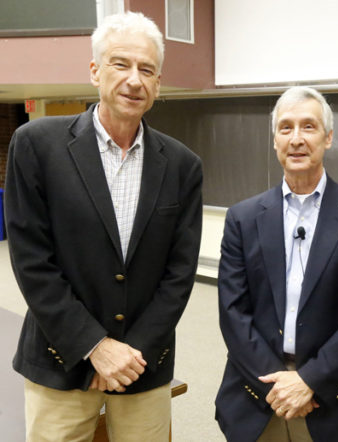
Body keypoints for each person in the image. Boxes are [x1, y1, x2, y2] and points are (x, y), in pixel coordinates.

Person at [4, 11, 202, 441]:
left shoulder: (183, 165)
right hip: (60, 358)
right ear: (95, 71)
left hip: (143, 365)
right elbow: (32, 262)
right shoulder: (36, 146)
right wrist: (94, 347)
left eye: (146, 70)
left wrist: (129, 355)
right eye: (120, 64)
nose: (134, 80)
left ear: (158, 83)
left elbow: (179, 274)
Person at [215, 86, 338, 441]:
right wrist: (280, 387)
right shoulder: (242, 218)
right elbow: (233, 313)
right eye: (286, 128)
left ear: (328, 137)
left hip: (332, 398)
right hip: (258, 393)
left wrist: (310, 381)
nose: (296, 138)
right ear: (275, 140)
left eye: (308, 126)